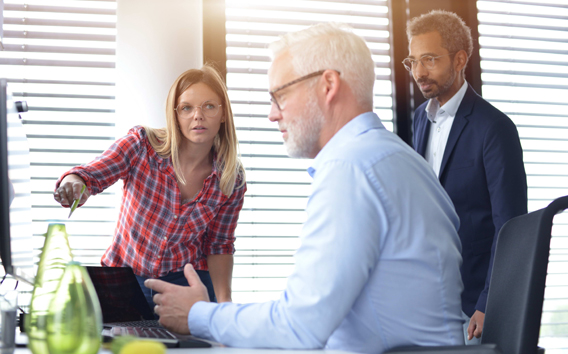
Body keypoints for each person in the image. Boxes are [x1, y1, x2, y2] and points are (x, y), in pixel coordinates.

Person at [145, 23, 464, 353]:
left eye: (280, 96)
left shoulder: (350, 169)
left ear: (328, 85)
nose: (272, 115)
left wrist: (199, 314)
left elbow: (299, 327)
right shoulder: (404, 161)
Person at [53, 65, 246, 307]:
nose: (198, 116)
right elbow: (90, 176)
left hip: (186, 286)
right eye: (187, 108)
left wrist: (225, 305)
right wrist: (74, 183)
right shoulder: (142, 145)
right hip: (124, 281)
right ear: (175, 114)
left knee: (187, 346)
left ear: (223, 113)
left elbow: (219, 245)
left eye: (209, 106)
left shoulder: (231, 178)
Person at [405, 10, 528, 343]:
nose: (418, 72)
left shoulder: (495, 129)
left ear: (460, 59)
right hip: (429, 301)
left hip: (472, 306)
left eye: (429, 59)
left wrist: (490, 304)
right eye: (412, 61)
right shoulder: (420, 119)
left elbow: (510, 228)